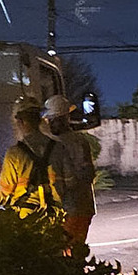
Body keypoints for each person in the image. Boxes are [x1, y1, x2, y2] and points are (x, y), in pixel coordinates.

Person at [0, 96, 72, 242]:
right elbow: (70, 183)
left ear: (21, 121)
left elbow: (4, 194)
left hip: (26, 219)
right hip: (54, 217)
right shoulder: (58, 148)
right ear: (39, 120)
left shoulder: (14, 153)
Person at [44, 94, 97, 257]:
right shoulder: (80, 141)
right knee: (77, 251)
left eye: (51, 120)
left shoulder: (51, 144)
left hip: (66, 209)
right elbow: (89, 174)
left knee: (63, 253)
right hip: (84, 206)